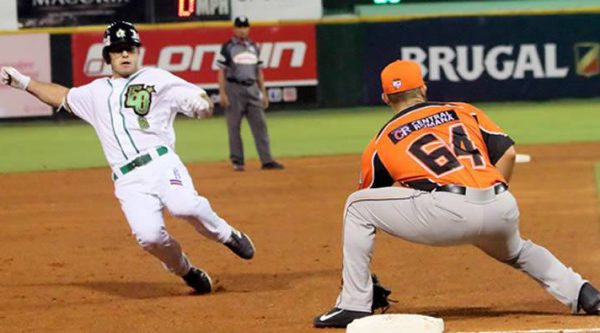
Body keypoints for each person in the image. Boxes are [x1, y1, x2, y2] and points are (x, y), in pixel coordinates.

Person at [313, 60, 600, 328]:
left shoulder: (381, 140)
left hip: (447, 214)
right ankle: (583, 293)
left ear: (385, 98)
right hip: (501, 203)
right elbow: (509, 154)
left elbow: (373, 196)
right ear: (424, 88)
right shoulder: (463, 111)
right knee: (517, 250)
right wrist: (489, 199)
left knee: (356, 206)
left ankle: (354, 302)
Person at [0, 21, 256, 295]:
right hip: (127, 179)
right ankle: (186, 271)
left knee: (185, 206)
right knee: (149, 238)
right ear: (107, 55)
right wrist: (23, 82)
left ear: (138, 52)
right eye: (118, 49)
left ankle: (227, 234)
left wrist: (201, 105)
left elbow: (194, 96)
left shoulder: (157, 78)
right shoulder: (94, 93)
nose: (125, 54)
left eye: (130, 49)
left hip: (160, 162)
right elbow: (61, 96)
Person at [217, 16, 284, 172]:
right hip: (234, 88)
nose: (242, 30)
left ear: (248, 29)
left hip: (252, 88)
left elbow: (259, 71)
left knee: (260, 125)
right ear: (234, 29)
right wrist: (222, 93)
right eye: (239, 27)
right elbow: (221, 71)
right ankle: (237, 161)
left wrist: (264, 93)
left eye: (245, 27)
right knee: (234, 127)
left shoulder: (254, 46)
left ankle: (267, 160)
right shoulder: (227, 47)